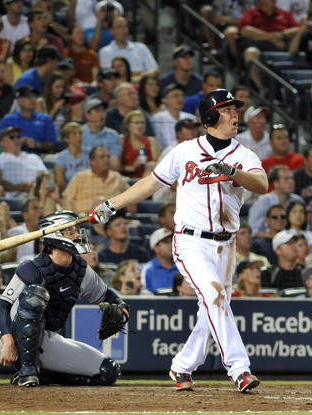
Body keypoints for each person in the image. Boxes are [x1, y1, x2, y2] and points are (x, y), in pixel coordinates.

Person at [88, 88, 268, 393]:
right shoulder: (185, 150)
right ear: (210, 116)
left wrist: (232, 171)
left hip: (226, 244)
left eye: (235, 109)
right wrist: (112, 204)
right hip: (191, 241)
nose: (235, 114)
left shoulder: (244, 154)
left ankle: (182, 366)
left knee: (211, 310)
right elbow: (150, 184)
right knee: (215, 299)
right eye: (227, 110)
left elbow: (262, 184)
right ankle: (239, 369)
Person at [0, 210, 127, 387]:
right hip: (13, 335)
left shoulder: (81, 270)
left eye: (77, 230)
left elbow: (109, 296)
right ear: (56, 235)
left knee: (108, 372)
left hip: (46, 338)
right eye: (71, 231)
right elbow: (1, 308)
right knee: (35, 295)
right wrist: (8, 341)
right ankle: (27, 371)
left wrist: (122, 307)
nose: (77, 234)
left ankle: (46, 376)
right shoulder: (32, 268)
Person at [62, 145, 129, 215]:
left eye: (108, 157)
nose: (106, 159)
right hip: (85, 219)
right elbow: (67, 200)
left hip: (113, 219)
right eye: (102, 157)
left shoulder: (116, 177)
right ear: (92, 161)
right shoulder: (80, 177)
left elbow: (130, 197)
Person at [248, 164, 304, 237]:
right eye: (286, 179)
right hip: (267, 240)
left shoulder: (298, 200)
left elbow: (305, 226)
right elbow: (252, 229)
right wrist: (272, 236)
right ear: (276, 183)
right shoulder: (263, 201)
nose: (291, 182)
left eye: (292, 178)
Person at [0, 85, 57, 153]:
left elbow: (52, 144)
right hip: (14, 156)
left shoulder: (45, 119)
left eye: (34, 96)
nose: (32, 99)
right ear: (18, 101)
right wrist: (20, 141)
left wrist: (37, 145)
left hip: (40, 157)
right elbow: (0, 142)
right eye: (28, 97)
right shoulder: (7, 120)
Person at [98, 16, 159, 81]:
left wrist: (140, 75)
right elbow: (109, 77)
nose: (124, 30)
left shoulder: (141, 47)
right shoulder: (105, 51)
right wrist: (134, 75)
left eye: (125, 26)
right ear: (112, 31)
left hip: (142, 86)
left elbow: (155, 71)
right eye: (120, 27)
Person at [0, 126, 49, 198]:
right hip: (12, 197)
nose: (16, 139)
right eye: (12, 137)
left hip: (36, 194)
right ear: (2, 143)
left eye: (18, 137)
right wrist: (18, 187)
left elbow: (46, 176)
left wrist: (36, 184)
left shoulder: (33, 157)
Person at [151, 83, 195, 151]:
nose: (180, 98)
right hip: (166, 155)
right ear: (164, 100)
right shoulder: (157, 118)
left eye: (182, 95)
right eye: (176, 95)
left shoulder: (191, 118)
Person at [80, 97, 122, 171]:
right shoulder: (79, 133)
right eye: (97, 111)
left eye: (103, 111)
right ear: (87, 115)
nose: (102, 115)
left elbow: (115, 165)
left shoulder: (112, 135)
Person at [120, 109, 159, 178]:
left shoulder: (151, 141)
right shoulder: (122, 140)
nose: (140, 126)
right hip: (127, 178)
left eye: (142, 123)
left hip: (148, 177)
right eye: (136, 123)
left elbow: (157, 164)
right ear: (128, 125)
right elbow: (117, 166)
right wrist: (132, 167)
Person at [54, 121, 89, 193]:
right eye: (74, 134)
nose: (79, 136)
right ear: (66, 139)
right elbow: (60, 184)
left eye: (80, 133)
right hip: (70, 193)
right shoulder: (60, 158)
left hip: (90, 189)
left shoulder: (89, 154)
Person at [141, 228, 178, 294]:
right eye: (167, 242)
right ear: (156, 248)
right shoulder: (145, 270)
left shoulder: (184, 268)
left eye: (173, 240)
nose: (172, 244)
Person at [7, 197, 43, 263]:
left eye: (41, 208)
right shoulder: (15, 233)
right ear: (25, 215)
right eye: (35, 208)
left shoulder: (47, 233)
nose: (40, 212)